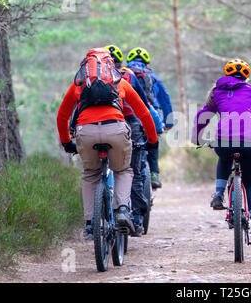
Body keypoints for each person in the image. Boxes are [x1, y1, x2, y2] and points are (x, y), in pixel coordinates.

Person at [57, 48, 158, 241]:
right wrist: (152, 140)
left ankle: (90, 224)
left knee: (90, 174)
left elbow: (62, 116)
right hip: (116, 130)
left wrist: (66, 141)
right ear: (110, 65)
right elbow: (144, 113)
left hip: (86, 132)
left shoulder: (79, 84)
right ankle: (121, 209)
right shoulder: (120, 82)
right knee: (123, 170)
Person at [192, 59, 251, 246]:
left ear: (226, 75)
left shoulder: (217, 92)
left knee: (224, 158)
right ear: (246, 77)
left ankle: (218, 193)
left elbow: (203, 115)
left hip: (224, 141)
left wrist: (197, 137)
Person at [104, 45, 162, 236]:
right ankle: (136, 220)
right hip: (130, 124)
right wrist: (155, 134)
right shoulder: (128, 77)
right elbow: (145, 107)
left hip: (97, 126)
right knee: (134, 171)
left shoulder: (90, 80)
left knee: (94, 173)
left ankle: (94, 221)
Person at [126, 47, 173, 189]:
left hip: (130, 116)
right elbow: (164, 99)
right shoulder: (153, 76)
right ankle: (154, 174)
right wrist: (169, 122)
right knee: (152, 140)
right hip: (152, 115)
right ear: (146, 63)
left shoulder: (123, 74)